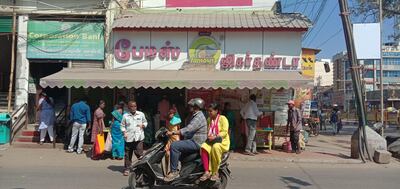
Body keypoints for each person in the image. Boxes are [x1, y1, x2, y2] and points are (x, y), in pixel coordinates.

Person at [163, 98, 207, 182]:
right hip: (193, 140)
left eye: (191, 106)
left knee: (174, 146)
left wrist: (173, 133)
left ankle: (173, 172)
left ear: (196, 107)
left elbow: (189, 129)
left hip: (197, 142)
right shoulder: (195, 115)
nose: (189, 107)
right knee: (178, 150)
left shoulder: (199, 117)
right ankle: (185, 172)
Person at [199, 103, 230, 182]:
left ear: (216, 111)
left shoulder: (223, 118)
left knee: (215, 147)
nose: (209, 113)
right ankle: (206, 171)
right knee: (203, 147)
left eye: (211, 111)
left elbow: (225, 131)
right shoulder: (209, 120)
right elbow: (208, 130)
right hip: (211, 141)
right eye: (208, 111)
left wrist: (216, 136)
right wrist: (208, 136)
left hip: (222, 142)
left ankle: (215, 172)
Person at [121, 101, 148, 176]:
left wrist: (143, 125)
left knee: (139, 153)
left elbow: (145, 122)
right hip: (128, 137)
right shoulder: (125, 116)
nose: (133, 108)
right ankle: (127, 168)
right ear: (128, 107)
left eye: (135, 106)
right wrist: (124, 132)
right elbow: (122, 125)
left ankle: (142, 168)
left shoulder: (141, 114)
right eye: (131, 106)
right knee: (127, 154)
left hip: (139, 137)